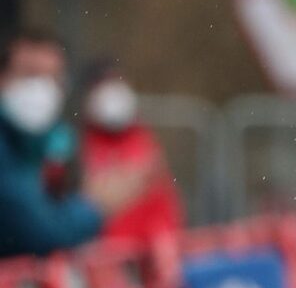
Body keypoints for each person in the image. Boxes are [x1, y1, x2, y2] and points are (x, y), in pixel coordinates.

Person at [0, 30, 153, 259]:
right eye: (30, 74)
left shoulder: (56, 140)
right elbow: (41, 232)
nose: (40, 89)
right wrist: (94, 205)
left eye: (52, 78)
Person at [78, 60, 184, 245]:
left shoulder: (143, 138)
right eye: (105, 83)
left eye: (117, 81)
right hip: (103, 251)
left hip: (145, 249)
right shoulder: (79, 144)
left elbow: (164, 202)